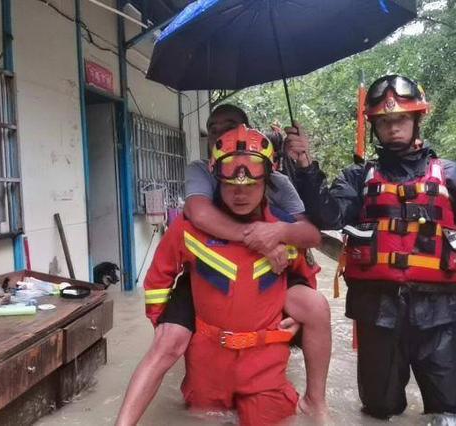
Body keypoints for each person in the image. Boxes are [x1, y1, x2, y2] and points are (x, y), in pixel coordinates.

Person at [286, 75, 456, 419]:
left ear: (417, 119)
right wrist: (304, 167)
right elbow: (326, 215)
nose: (393, 128)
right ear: (374, 126)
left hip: (439, 313)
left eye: (401, 119)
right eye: (385, 121)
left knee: (452, 413)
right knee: (380, 410)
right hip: (378, 312)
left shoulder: (451, 174)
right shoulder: (358, 178)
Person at [116, 106, 331, 425]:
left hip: (262, 368)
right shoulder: (191, 223)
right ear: (216, 178)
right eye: (231, 185)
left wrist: (293, 319)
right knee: (200, 410)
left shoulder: (283, 226)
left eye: (251, 185)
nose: (240, 194)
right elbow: (159, 278)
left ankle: (317, 401)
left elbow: (306, 269)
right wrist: (165, 321)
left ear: (267, 181)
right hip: (209, 355)